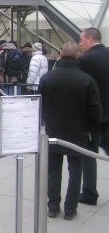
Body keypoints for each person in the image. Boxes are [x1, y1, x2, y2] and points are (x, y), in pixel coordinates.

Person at [39, 41, 101, 220]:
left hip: (53, 132)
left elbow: (40, 105)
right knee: (75, 172)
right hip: (78, 133)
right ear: (77, 56)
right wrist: (92, 131)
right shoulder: (87, 80)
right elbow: (94, 110)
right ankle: (70, 209)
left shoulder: (47, 78)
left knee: (53, 172)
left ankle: (53, 207)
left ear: (60, 55)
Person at [78, 27, 109, 206]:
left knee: (88, 155)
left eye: (81, 40)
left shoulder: (86, 59)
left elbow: (83, 89)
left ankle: (89, 193)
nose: (80, 43)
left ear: (90, 39)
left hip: (93, 117)